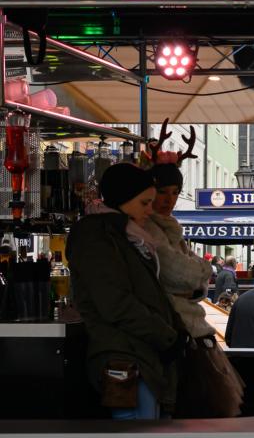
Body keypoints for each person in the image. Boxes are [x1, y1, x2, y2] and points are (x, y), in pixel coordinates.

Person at [67, 163, 189, 419]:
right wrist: (168, 336)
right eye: (144, 203)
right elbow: (116, 303)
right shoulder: (98, 236)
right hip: (125, 360)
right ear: (124, 199)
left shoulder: (127, 235)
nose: (150, 210)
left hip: (141, 355)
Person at [147, 163, 244, 418]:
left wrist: (193, 282)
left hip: (189, 330)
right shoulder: (148, 229)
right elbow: (183, 273)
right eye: (163, 191)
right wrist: (196, 277)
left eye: (175, 192)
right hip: (177, 331)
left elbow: (199, 280)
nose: (169, 199)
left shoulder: (171, 230)